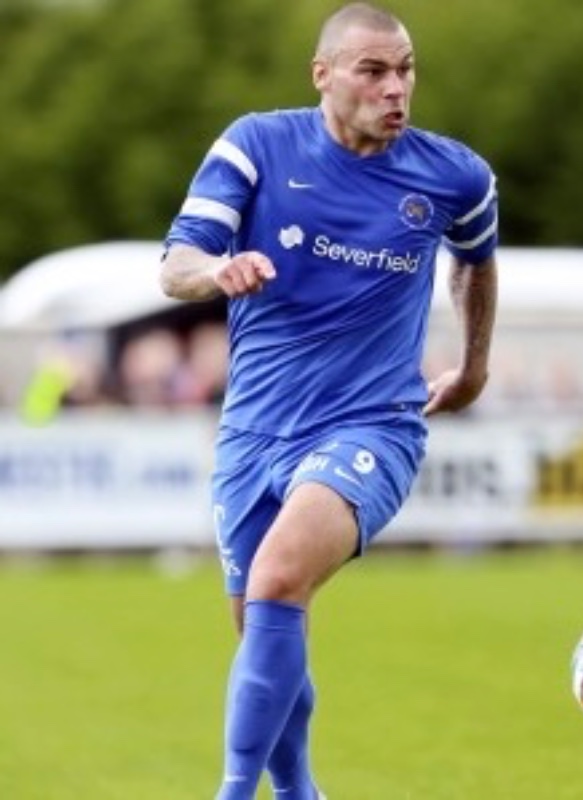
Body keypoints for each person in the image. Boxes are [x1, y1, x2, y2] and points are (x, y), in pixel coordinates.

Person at [160, 3, 498, 797]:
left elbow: (475, 261)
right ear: (323, 75)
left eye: (405, 69)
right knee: (264, 626)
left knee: (279, 578)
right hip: (253, 432)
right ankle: (299, 791)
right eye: (373, 70)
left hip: (371, 425)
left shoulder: (455, 175)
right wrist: (217, 272)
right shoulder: (256, 146)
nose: (395, 88)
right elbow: (176, 265)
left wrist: (474, 366)